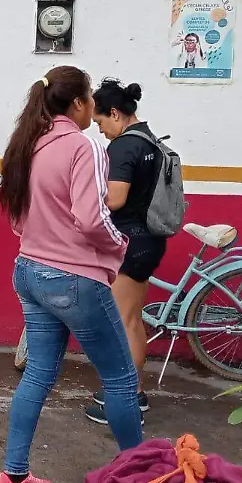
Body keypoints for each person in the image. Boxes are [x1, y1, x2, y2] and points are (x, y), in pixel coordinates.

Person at [0, 66, 142, 483]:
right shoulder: (85, 146)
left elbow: (18, 217)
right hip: (74, 279)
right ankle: (143, 479)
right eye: (91, 98)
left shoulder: (28, 144)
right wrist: (119, 243)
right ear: (78, 103)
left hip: (29, 271)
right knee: (120, 380)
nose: (94, 106)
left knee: (38, 373)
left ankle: (14, 477)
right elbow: (92, 218)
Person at [85, 79, 165, 425]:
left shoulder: (123, 147)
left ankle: (126, 397)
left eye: (101, 122)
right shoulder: (152, 141)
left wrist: (83, 199)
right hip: (148, 239)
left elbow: (115, 198)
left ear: (115, 114)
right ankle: (133, 392)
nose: (102, 131)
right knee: (131, 319)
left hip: (129, 242)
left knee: (123, 322)